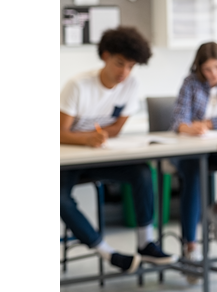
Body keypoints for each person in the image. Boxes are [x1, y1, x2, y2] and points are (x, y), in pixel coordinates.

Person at [60, 26, 175, 273]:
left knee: (142, 172)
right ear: (105, 56)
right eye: (119, 63)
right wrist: (87, 139)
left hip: (99, 157)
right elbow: (59, 133)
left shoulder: (130, 85)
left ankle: (146, 243)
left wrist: (96, 138)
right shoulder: (78, 86)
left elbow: (116, 128)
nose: (124, 72)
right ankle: (107, 253)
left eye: (130, 66)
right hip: (68, 160)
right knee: (58, 198)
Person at [169, 41, 217, 282]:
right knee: (192, 175)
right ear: (199, 68)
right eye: (208, 69)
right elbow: (180, 119)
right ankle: (191, 246)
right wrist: (187, 128)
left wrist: (206, 124)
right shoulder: (190, 83)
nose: (214, 74)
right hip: (191, 149)